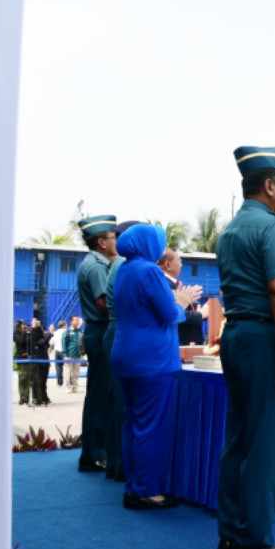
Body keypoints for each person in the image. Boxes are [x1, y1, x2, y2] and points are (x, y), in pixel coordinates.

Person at [215, 145, 275, 549]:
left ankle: (232, 536)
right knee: (266, 443)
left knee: (239, 439)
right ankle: (256, 541)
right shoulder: (274, 228)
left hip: (235, 335)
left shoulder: (230, 230)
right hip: (264, 339)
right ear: (270, 186)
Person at [111, 224, 203, 510]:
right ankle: (146, 490)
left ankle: (134, 484)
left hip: (127, 355)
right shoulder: (149, 271)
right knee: (151, 427)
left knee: (134, 424)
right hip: (151, 360)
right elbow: (168, 314)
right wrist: (182, 301)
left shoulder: (124, 269)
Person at [76, 214, 119, 473]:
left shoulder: (97, 263)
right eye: (113, 237)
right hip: (100, 331)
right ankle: (95, 453)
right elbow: (104, 304)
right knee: (100, 396)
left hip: (98, 332)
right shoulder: (96, 267)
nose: (116, 242)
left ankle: (95, 451)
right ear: (102, 242)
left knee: (100, 394)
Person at [103, 220, 141, 482]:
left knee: (119, 403)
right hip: (123, 330)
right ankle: (119, 465)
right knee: (122, 405)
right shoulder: (125, 266)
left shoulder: (120, 264)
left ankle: (117, 463)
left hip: (118, 330)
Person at [158, 246, 208, 346]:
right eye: (179, 261)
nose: (181, 265)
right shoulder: (166, 285)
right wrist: (200, 314)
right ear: (168, 265)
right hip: (181, 341)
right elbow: (173, 312)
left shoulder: (171, 284)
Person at [13, 320, 39, 406]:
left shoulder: (28, 334)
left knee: (36, 380)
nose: (25, 327)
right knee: (24, 380)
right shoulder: (16, 336)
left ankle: (37, 399)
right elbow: (25, 341)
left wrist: (36, 328)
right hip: (23, 361)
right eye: (23, 326)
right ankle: (24, 400)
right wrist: (33, 329)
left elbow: (35, 339)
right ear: (18, 327)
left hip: (32, 359)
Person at [29, 318, 51, 406]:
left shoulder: (42, 337)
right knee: (39, 381)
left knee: (44, 381)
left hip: (45, 361)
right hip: (39, 362)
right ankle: (40, 398)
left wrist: (40, 328)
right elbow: (41, 341)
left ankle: (44, 397)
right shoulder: (34, 337)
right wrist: (35, 327)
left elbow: (46, 343)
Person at [62, 315, 84, 393]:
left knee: (76, 372)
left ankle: (75, 387)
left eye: (78, 320)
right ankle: (67, 387)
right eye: (75, 320)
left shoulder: (79, 331)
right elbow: (64, 343)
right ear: (71, 321)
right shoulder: (67, 331)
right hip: (69, 355)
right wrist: (65, 355)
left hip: (77, 355)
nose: (77, 321)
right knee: (68, 372)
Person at [50, 320, 66, 387]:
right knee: (68, 367)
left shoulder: (55, 333)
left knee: (58, 367)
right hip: (65, 351)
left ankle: (59, 382)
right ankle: (69, 382)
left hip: (57, 351)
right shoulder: (66, 332)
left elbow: (51, 342)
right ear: (64, 325)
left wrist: (50, 350)